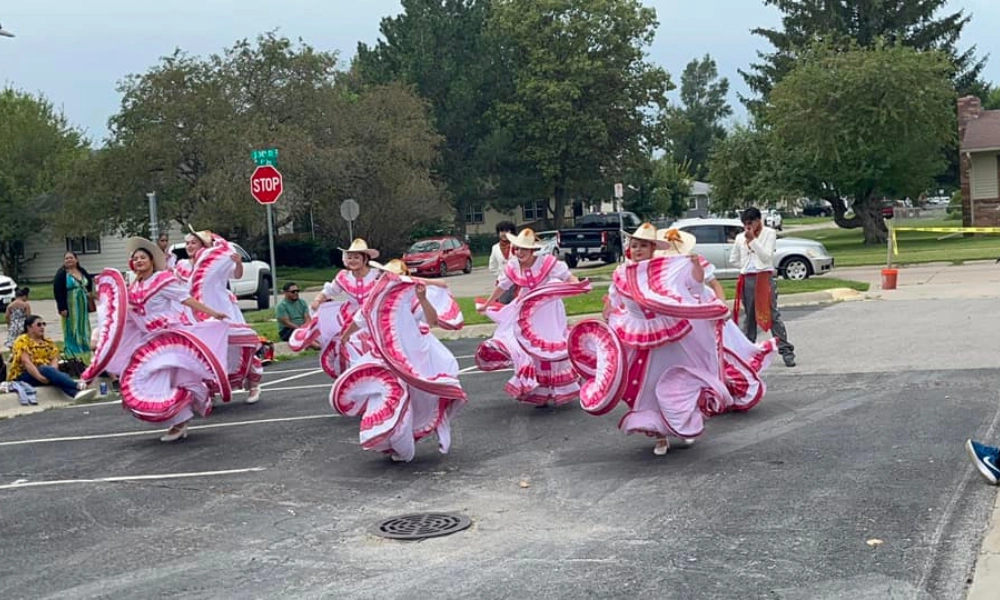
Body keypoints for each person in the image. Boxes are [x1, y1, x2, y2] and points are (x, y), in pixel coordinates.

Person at [84, 238, 233, 442]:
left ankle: (180, 422)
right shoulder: (133, 286)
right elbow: (123, 312)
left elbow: (186, 299)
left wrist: (213, 313)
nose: (139, 261)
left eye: (143, 257)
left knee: (173, 377)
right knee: (148, 379)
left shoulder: (162, 280)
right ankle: (178, 419)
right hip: (146, 340)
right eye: (135, 258)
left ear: (152, 260)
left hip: (168, 337)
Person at [332, 259, 466, 462]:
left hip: (413, 356)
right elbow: (360, 319)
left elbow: (431, 321)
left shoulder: (411, 297)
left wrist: (422, 297)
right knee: (389, 394)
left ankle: (405, 441)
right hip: (386, 356)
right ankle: (392, 441)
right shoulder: (375, 299)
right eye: (386, 275)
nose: (388, 279)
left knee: (420, 397)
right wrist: (345, 336)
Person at [476, 228, 589, 407]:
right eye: (517, 249)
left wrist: (578, 285)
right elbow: (502, 286)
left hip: (548, 310)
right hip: (526, 310)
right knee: (526, 347)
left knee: (550, 348)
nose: (519, 252)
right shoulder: (513, 266)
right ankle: (538, 390)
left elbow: (568, 277)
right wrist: (488, 303)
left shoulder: (547, 263)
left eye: (524, 249)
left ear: (532, 250)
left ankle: (557, 389)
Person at [179, 226, 263, 403]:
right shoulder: (182, 266)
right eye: (187, 243)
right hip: (196, 310)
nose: (189, 246)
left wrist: (238, 262)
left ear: (203, 245)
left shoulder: (215, 261)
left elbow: (236, 275)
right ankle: (209, 389)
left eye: (193, 243)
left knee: (235, 344)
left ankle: (253, 382)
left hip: (222, 307)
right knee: (203, 349)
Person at [296, 238, 382, 378]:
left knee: (375, 344)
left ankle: (376, 373)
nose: (352, 260)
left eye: (356, 257)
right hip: (350, 317)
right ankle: (357, 374)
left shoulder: (376, 274)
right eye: (350, 257)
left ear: (365, 259)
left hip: (372, 316)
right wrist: (317, 301)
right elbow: (330, 290)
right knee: (350, 344)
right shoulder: (344, 276)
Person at [728, 207, 796, 367]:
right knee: (750, 316)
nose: (748, 227)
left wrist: (753, 240)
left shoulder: (769, 234)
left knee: (772, 314)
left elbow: (766, 257)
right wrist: (745, 266)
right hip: (748, 278)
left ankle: (785, 350)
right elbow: (733, 259)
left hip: (764, 277)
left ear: (759, 221)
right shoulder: (739, 238)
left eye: (751, 223)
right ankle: (746, 352)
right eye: (745, 224)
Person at [7, 314, 97, 402]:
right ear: (29, 327)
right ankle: (76, 385)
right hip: (24, 375)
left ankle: (76, 394)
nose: (42, 327)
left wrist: (53, 373)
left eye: (43, 324)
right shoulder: (22, 340)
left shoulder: (47, 342)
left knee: (58, 376)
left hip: (45, 372)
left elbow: (54, 359)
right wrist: (40, 377)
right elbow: (26, 362)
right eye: (38, 325)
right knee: (48, 370)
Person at [52, 251, 93, 361]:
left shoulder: (82, 271)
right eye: (66, 258)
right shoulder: (62, 274)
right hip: (70, 304)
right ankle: (73, 348)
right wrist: (62, 307)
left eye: (71, 258)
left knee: (83, 324)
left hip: (82, 305)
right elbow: (58, 291)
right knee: (71, 325)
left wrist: (89, 294)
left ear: (76, 259)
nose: (69, 260)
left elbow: (89, 284)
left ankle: (85, 346)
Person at [488, 221, 518, 305]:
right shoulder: (495, 248)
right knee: (503, 305)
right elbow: (492, 267)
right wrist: (501, 275)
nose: (504, 234)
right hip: (503, 282)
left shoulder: (517, 246)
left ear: (512, 232)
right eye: (501, 231)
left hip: (518, 282)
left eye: (507, 231)